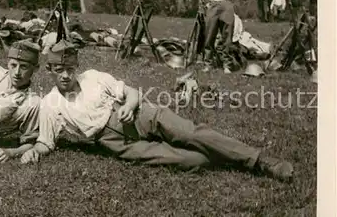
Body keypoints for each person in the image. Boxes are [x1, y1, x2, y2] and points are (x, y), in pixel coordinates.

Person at [19, 40, 294, 182]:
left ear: (75, 68)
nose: (65, 75)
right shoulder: (50, 103)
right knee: (190, 161)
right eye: (59, 70)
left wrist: (127, 105)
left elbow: (132, 92)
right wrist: (27, 151)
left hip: (141, 116)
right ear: (50, 71)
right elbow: (45, 142)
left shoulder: (93, 76)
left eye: (69, 69)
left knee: (190, 132)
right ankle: (227, 156)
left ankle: (260, 161)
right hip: (117, 142)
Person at [203, 0, 245, 73]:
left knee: (227, 36)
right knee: (209, 35)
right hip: (214, 5)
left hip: (227, 4)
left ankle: (227, 65)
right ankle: (208, 63)